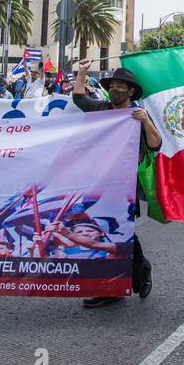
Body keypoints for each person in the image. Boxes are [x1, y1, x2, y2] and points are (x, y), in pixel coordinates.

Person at [72, 58, 161, 308]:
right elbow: (79, 99)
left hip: (126, 186)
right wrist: (81, 72)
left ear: (131, 91)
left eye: (121, 86)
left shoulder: (138, 115)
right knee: (110, 232)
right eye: (112, 86)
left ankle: (112, 287)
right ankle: (135, 272)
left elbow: (156, 145)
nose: (115, 90)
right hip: (99, 183)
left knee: (117, 232)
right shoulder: (102, 110)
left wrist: (145, 121)